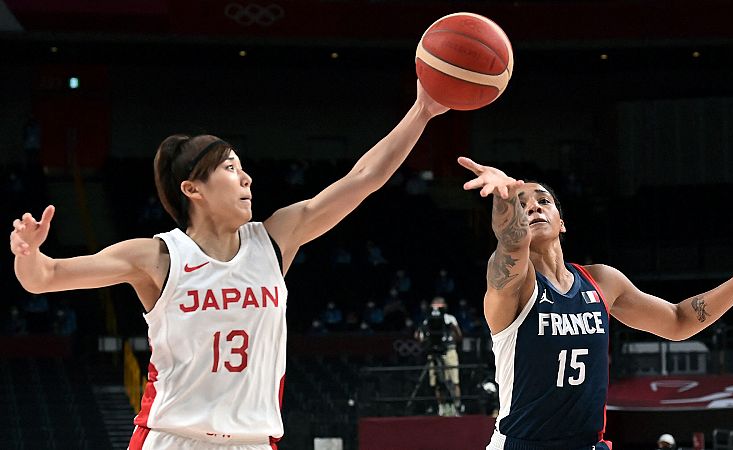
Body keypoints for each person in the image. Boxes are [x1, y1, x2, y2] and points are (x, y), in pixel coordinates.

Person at [9, 80, 448, 450]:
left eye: (243, 168)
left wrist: (423, 110)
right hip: (173, 437)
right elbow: (45, 279)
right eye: (230, 167)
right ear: (193, 189)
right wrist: (28, 255)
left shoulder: (275, 240)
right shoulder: (159, 256)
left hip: (252, 440)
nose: (246, 178)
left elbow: (363, 179)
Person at [456, 157, 733, 450]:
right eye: (522, 204)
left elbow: (679, 321)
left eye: (543, 201)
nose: (532, 207)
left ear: (562, 222)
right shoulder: (514, 284)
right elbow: (511, 243)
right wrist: (503, 198)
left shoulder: (602, 281)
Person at [414, 296, 463, 416]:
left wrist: (453, 328)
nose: (436, 309)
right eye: (434, 306)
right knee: (437, 382)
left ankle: (457, 407)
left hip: (449, 350)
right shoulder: (428, 320)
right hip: (433, 352)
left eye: (439, 306)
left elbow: (459, 337)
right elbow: (420, 337)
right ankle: (441, 408)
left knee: (454, 380)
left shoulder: (450, 319)